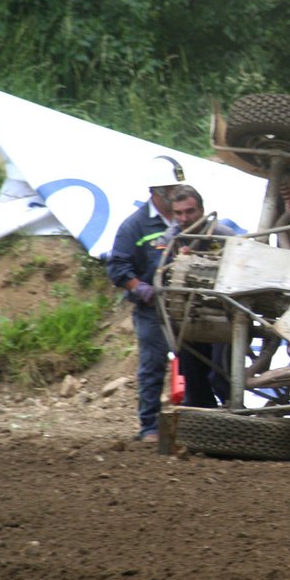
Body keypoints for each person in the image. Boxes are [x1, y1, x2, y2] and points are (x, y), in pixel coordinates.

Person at [106, 156, 185, 442]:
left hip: (186, 308)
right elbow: (117, 267)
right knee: (152, 365)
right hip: (152, 309)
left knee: (193, 364)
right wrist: (138, 287)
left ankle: (193, 419)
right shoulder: (135, 226)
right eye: (172, 190)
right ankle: (149, 426)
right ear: (156, 191)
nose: (177, 196)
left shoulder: (186, 219)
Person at [161, 185, 237, 408]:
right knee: (194, 382)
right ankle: (204, 427)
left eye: (190, 211)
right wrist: (176, 262)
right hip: (188, 318)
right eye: (179, 213)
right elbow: (156, 274)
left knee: (221, 375)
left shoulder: (223, 236)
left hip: (222, 317)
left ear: (202, 210)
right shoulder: (170, 239)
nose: (184, 218)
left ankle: (236, 419)